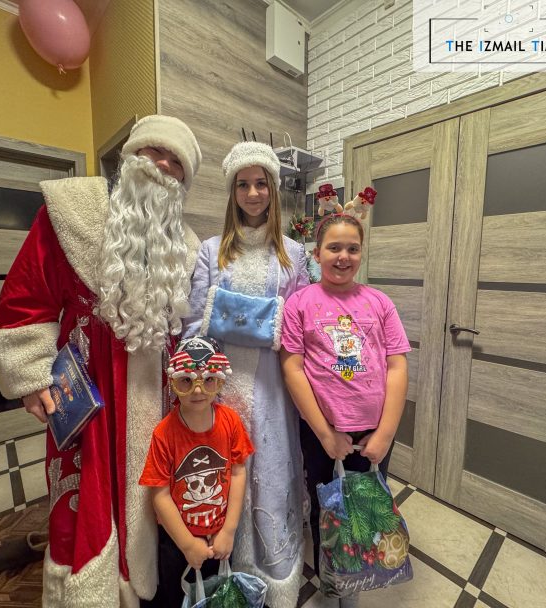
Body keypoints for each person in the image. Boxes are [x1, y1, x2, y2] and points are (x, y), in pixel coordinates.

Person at [0, 115, 202, 607]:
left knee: (155, 492)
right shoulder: (71, 212)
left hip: (159, 396)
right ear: (130, 156)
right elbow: (28, 297)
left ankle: (145, 585)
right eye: (154, 152)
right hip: (88, 386)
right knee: (86, 498)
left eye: (175, 163)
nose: (162, 166)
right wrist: (30, 376)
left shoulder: (188, 247)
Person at [184, 141, 309, 608]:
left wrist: (230, 314)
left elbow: (300, 323)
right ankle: (227, 576)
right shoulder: (210, 251)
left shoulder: (293, 254)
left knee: (271, 475)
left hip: (274, 387)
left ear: (273, 190)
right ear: (232, 191)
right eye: (243, 184)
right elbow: (193, 322)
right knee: (224, 476)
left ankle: (274, 579)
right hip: (223, 385)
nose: (253, 193)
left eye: (261, 184)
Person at [279, 213, 410, 608]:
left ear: (361, 253)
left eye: (352, 248)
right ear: (317, 254)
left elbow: (397, 366)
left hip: (372, 431)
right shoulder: (300, 303)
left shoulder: (380, 303)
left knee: (366, 507)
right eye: (334, 247)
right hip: (322, 431)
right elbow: (292, 367)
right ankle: (333, 581)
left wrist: (385, 434)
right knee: (327, 509)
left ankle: (358, 583)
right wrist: (325, 434)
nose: (343, 256)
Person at [139, 336, 254, 607]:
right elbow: (160, 495)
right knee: (176, 599)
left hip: (220, 538)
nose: (198, 390)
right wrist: (187, 544)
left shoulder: (230, 422)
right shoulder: (164, 434)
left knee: (219, 598)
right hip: (177, 542)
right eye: (187, 381)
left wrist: (229, 530)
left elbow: (238, 474)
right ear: (173, 382)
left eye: (209, 380)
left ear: (220, 381)